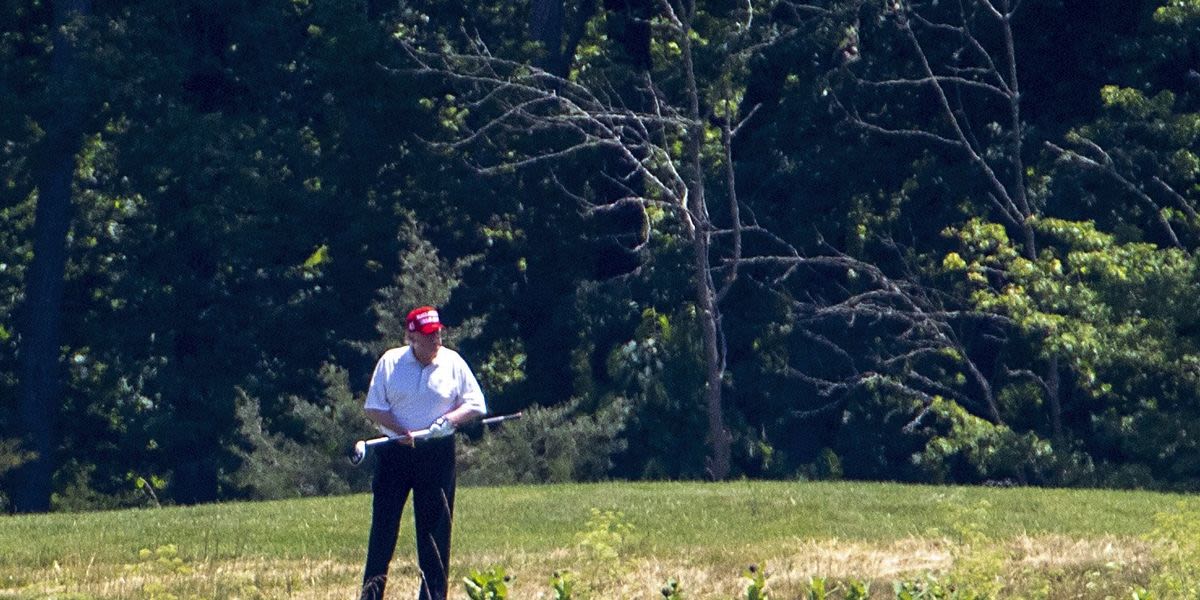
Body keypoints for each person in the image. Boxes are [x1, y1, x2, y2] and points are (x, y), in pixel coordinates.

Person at [360, 305, 487, 600]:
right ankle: (371, 594)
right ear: (411, 337)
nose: (437, 340)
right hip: (395, 453)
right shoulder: (391, 362)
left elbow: (476, 403)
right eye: (429, 335)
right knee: (383, 528)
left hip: (436, 453)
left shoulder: (452, 362)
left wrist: (449, 421)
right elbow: (373, 407)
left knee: (435, 530)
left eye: (438, 333)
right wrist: (400, 430)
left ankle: (432, 595)